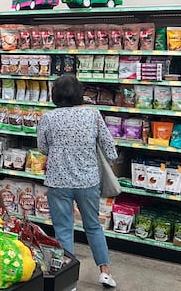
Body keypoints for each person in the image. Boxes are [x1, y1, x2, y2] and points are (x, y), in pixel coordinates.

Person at [36, 74, 118, 288]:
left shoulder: (48, 117)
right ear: (79, 93)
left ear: (55, 95)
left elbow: (43, 148)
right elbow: (110, 150)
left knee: (63, 229)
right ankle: (105, 273)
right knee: (93, 227)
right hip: (87, 181)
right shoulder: (92, 114)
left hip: (58, 181)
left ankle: (68, 279)